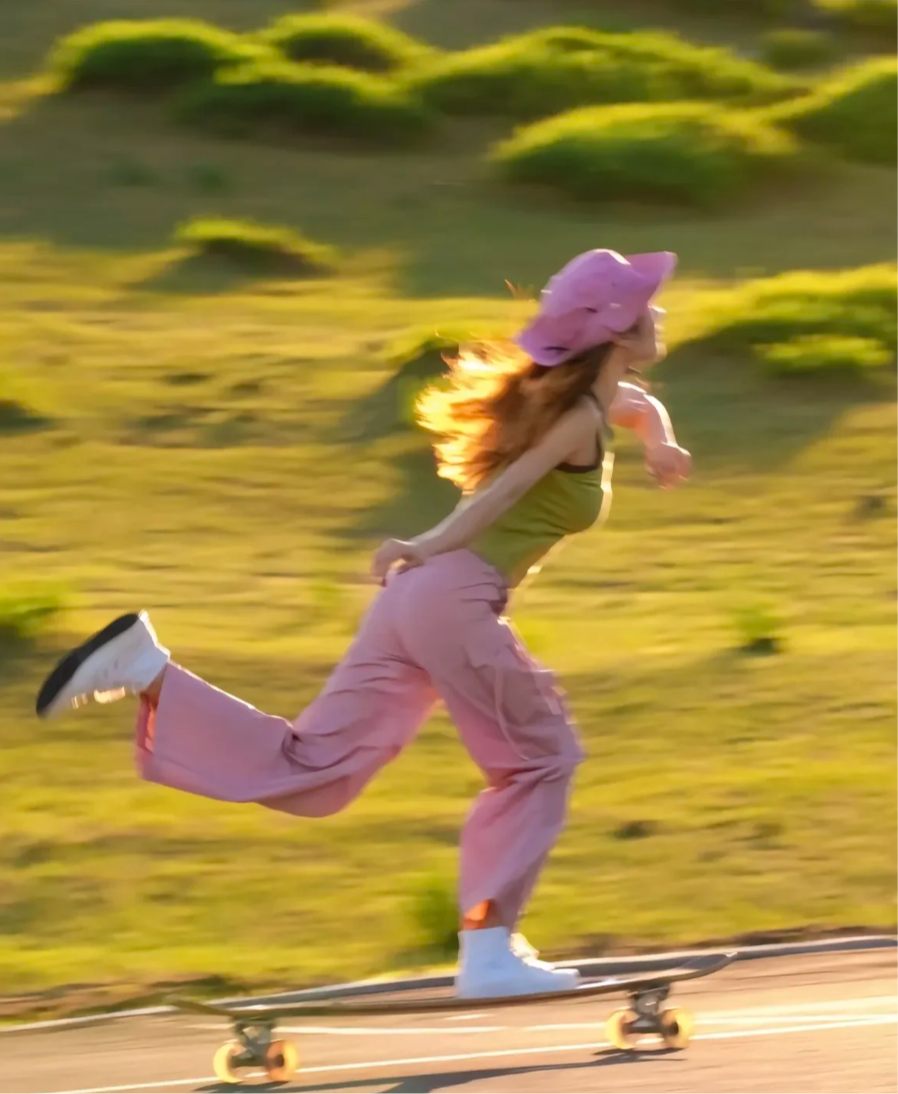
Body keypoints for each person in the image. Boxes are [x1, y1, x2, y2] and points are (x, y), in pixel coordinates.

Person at [35, 249, 691, 999]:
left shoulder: (589, 401)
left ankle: (147, 669)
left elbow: (638, 408)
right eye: (648, 302)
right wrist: (427, 543)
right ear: (616, 330)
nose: (660, 310)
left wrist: (661, 444)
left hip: (414, 604)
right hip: (453, 595)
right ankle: (488, 950)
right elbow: (501, 496)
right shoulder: (574, 419)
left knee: (318, 772)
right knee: (541, 759)